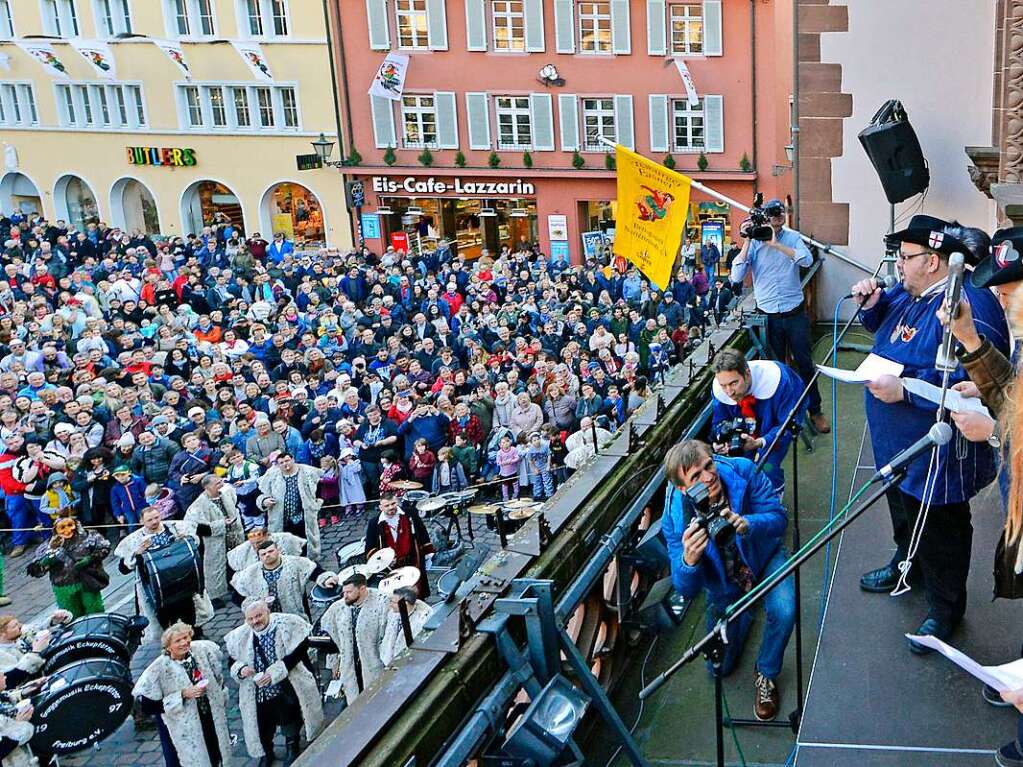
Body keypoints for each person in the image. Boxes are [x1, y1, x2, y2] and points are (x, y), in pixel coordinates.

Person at [851, 215, 1010, 650]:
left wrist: (905, 390)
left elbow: (975, 377)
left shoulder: (972, 305)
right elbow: (890, 329)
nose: (898, 266)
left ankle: (945, 609)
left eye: (906, 258)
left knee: (941, 529)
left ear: (935, 261)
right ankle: (907, 563)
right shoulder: (910, 290)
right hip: (896, 443)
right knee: (903, 510)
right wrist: (871, 307)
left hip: (939, 450)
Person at [661, 440, 794, 721]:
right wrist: (689, 561)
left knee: (784, 610)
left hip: (764, 557)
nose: (709, 477)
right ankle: (743, 615)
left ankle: (766, 673)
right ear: (683, 488)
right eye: (696, 476)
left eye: (709, 466)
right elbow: (685, 588)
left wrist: (749, 524)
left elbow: (779, 519)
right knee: (719, 670)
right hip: (724, 583)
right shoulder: (675, 517)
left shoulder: (743, 470)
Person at [729, 198, 830, 435]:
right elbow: (735, 276)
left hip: (794, 313)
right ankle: (784, 415)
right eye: (773, 215)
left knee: (805, 363)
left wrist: (775, 244)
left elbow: (807, 259)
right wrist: (748, 241)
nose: (777, 218)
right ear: (765, 217)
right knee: (775, 367)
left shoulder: (792, 237)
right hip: (769, 317)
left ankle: (814, 410)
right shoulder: (754, 242)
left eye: (780, 214)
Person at [224, 598, 323, 767]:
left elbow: (300, 650)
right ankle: (266, 752)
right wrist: (240, 669)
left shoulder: (288, 624)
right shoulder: (240, 636)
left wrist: (275, 672)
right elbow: (231, 660)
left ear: (267, 611)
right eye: (251, 619)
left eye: (259, 616)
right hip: (258, 690)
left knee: (289, 717)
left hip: (286, 684)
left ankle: (292, 746)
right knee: (261, 722)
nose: (255, 621)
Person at [133, 621, 232, 767]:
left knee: (215, 752)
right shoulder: (159, 669)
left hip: (209, 717)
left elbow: (218, 676)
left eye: (186, 637)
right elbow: (148, 706)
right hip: (183, 726)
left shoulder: (201, 651)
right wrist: (183, 695)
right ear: (168, 646)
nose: (184, 643)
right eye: (178, 640)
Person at [710, 349, 806, 492]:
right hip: (747, 431)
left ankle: (774, 498)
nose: (729, 392)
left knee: (766, 465)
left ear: (747, 374)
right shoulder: (721, 389)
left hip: (774, 426)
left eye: (734, 383)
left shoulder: (781, 382)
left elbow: (787, 424)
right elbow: (719, 421)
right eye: (724, 386)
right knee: (736, 464)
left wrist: (760, 442)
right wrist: (720, 439)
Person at [114, 507, 215, 641]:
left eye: (156, 517)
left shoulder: (175, 527)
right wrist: (137, 553)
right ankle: (173, 643)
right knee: (167, 618)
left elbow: (202, 537)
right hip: (158, 589)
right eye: (149, 520)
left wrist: (186, 539)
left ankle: (195, 636)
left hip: (182, 581)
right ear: (141, 521)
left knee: (189, 612)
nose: (154, 522)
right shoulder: (134, 540)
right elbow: (123, 569)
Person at [319, 572, 390, 706]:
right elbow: (330, 636)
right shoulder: (338, 607)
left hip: (373, 663)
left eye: (349, 592)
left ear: (362, 589)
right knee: (355, 701)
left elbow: (387, 635)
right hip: (350, 664)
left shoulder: (382, 602)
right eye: (344, 592)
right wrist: (334, 663)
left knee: (376, 700)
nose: (345, 596)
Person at [26, 514, 111, 618]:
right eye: (62, 527)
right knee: (70, 616)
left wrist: (90, 559)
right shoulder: (49, 546)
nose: (67, 530)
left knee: (95, 612)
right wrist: (46, 561)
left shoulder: (89, 536)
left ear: (75, 524)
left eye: (70, 525)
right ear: (56, 529)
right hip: (64, 586)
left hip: (87, 582)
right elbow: (36, 570)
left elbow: (104, 547)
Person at [230, 540, 336, 621]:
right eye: (263, 554)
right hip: (267, 620)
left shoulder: (295, 563)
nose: (267, 555)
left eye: (270, 551)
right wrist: (254, 605)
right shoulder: (250, 573)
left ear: (278, 551)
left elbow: (314, 570)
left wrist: (326, 579)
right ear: (259, 557)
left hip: (295, 614)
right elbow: (236, 595)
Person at [185, 475, 244, 605]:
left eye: (221, 481)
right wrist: (220, 524)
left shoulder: (226, 493)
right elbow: (195, 526)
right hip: (213, 542)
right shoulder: (199, 505)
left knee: (236, 562)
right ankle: (214, 596)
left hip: (233, 535)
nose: (221, 484)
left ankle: (236, 586)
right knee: (215, 568)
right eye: (217, 483)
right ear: (207, 487)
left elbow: (234, 506)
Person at [257, 453, 324, 559]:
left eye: (287, 461)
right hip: (282, 519)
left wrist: (317, 503)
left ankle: (309, 563)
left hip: (303, 517)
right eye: (281, 463)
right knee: (285, 545)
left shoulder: (307, 471)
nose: (285, 464)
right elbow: (261, 494)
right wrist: (264, 501)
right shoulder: (272, 476)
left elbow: (320, 486)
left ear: (293, 460)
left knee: (305, 542)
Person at [365, 494, 433, 598]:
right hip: (391, 567)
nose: (391, 507)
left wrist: (428, 554)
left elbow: (422, 532)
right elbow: (370, 548)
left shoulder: (410, 513)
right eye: (387, 505)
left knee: (417, 592)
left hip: (413, 560)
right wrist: (383, 561)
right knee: (396, 595)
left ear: (397, 501)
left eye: (393, 503)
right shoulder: (374, 523)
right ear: (381, 507)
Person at [379, 587, 432, 665]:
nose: (390, 605)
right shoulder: (394, 613)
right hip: (389, 659)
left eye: (393, 602)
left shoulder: (421, 620)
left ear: (405, 604)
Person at [227, 527, 305, 575]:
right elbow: (233, 562)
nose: (256, 546)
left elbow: (301, 544)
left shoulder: (285, 538)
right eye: (253, 543)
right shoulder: (244, 549)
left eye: (259, 542)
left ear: (267, 536)